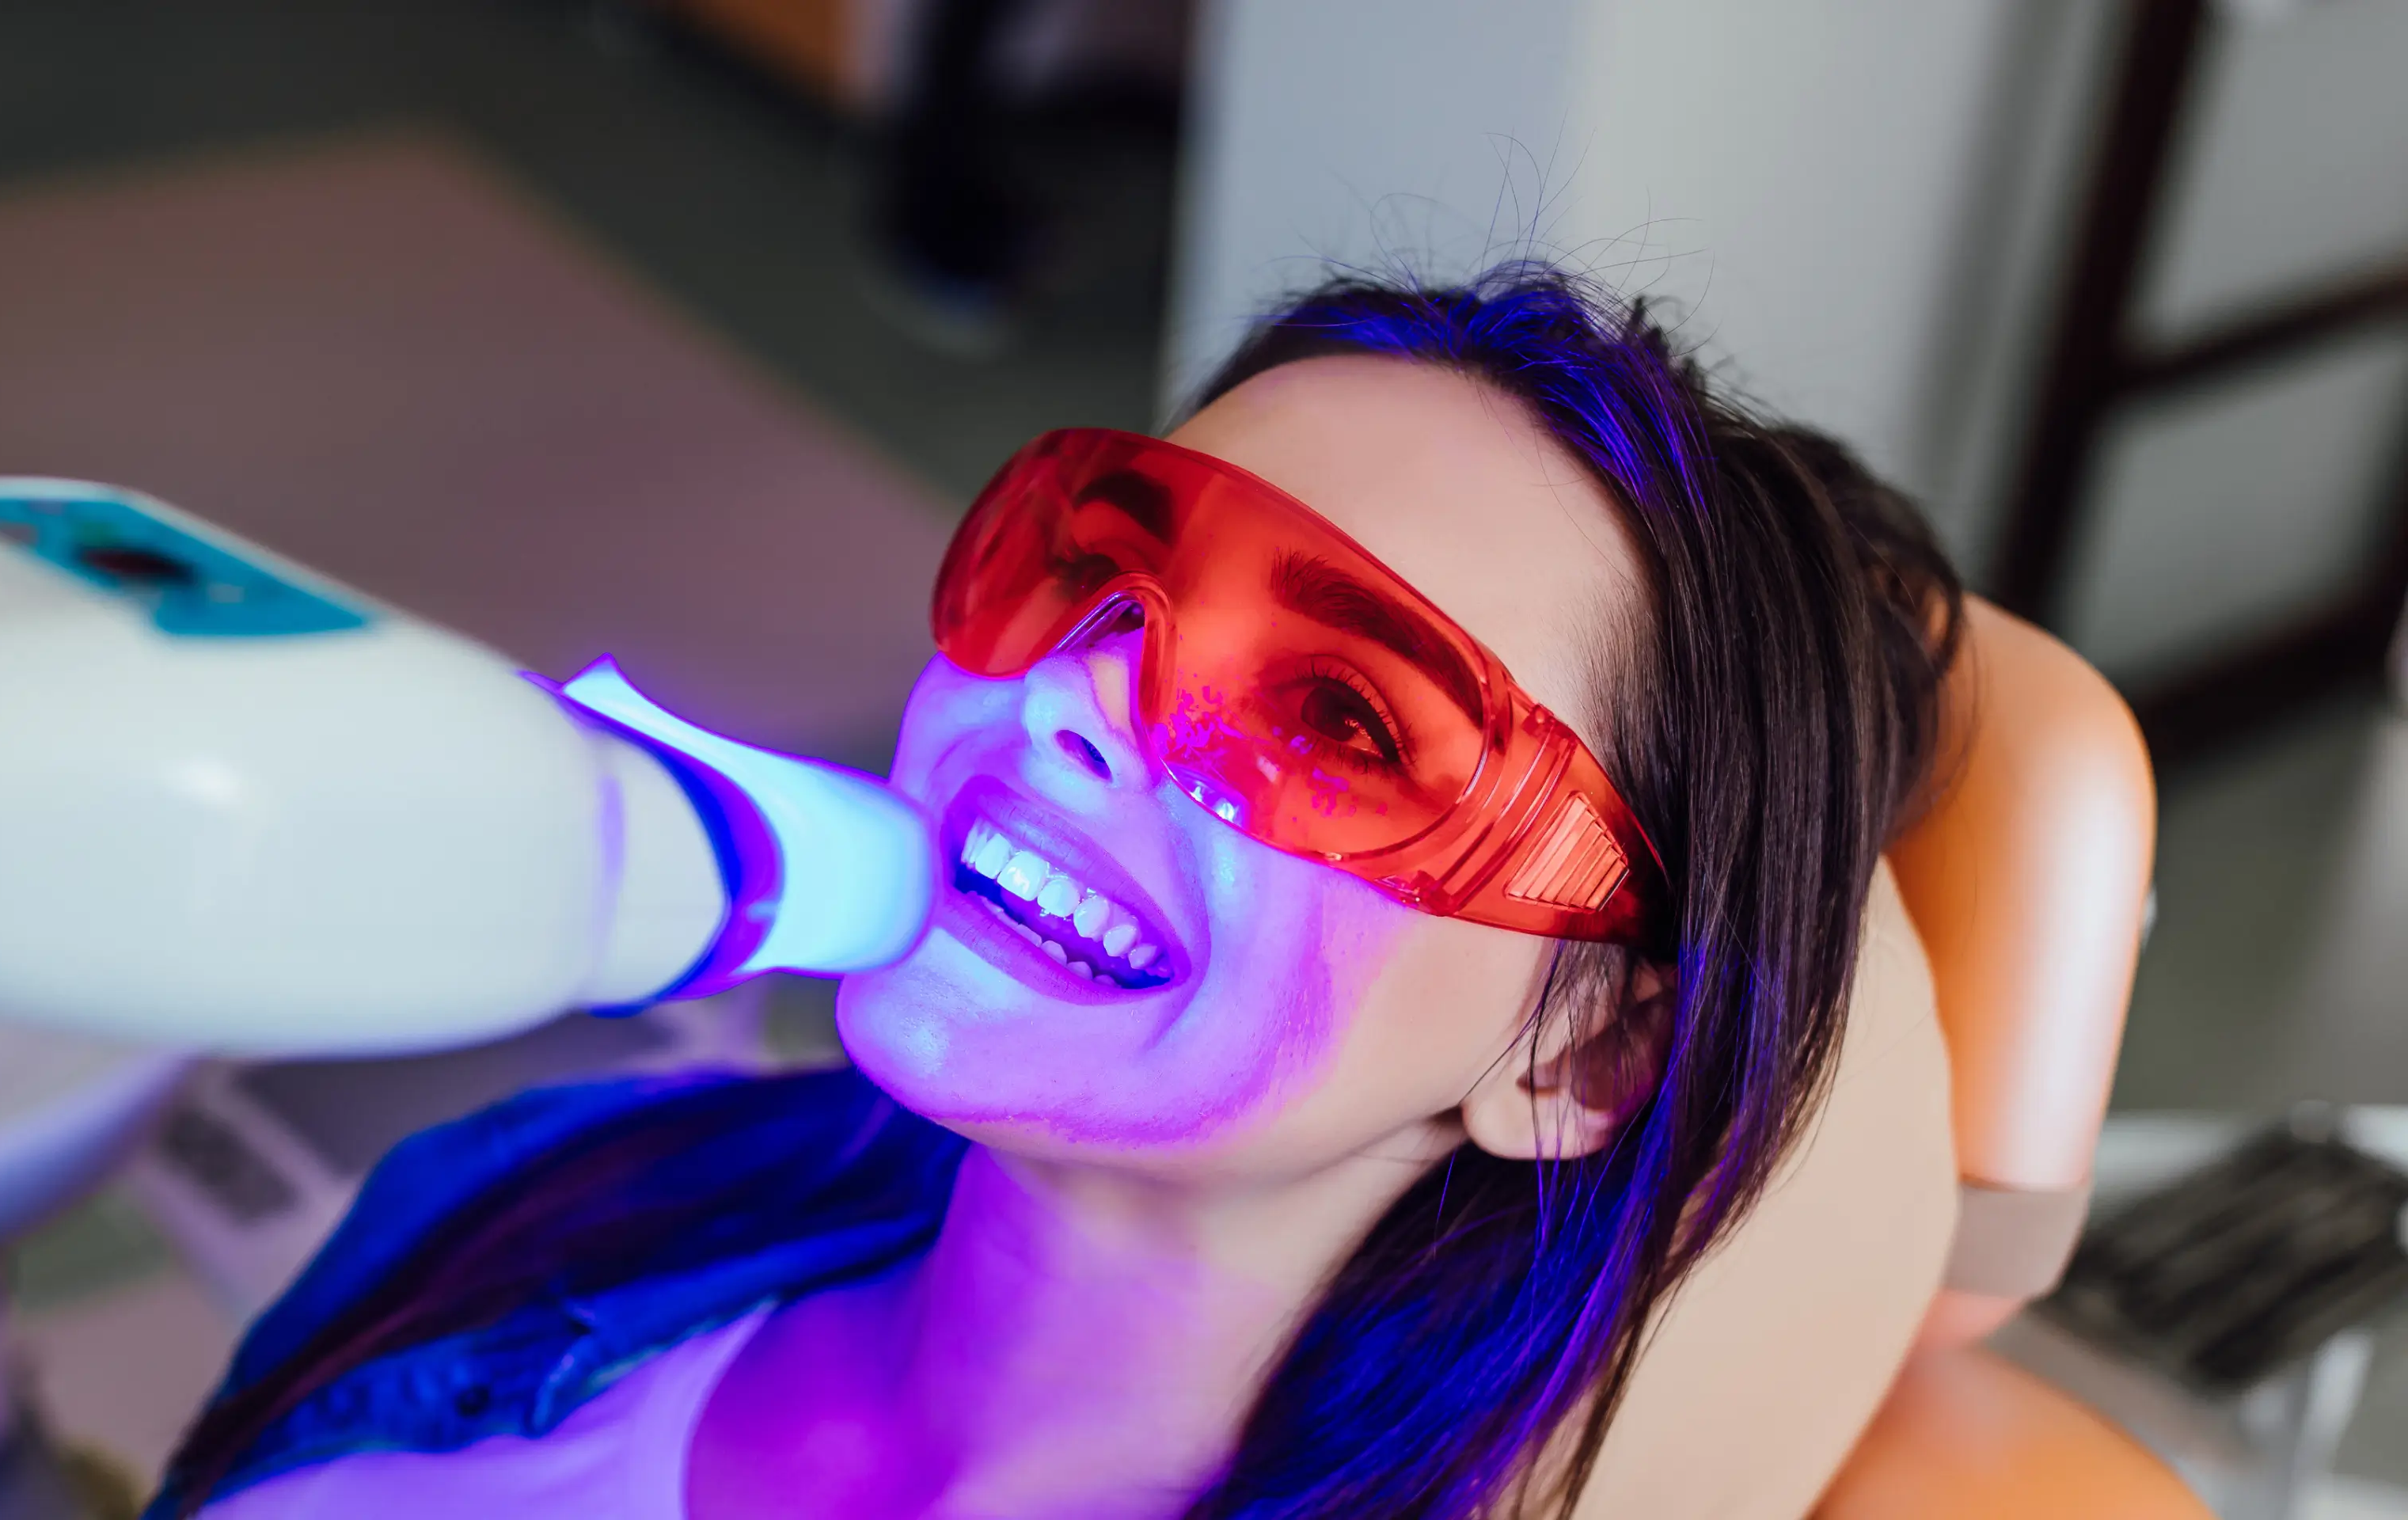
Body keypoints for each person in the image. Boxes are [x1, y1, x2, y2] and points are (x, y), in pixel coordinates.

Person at [148, 263, 1962, 1520]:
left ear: (1581, 1054)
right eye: (1103, 572)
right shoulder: (543, 1175)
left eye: (1338, 715)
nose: (1082, 695)